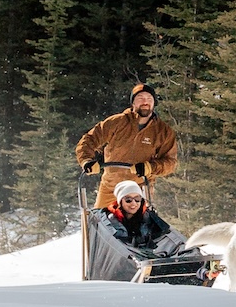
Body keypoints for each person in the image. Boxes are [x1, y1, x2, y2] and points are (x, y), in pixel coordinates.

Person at [76, 81, 179, 210]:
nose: (145, 102)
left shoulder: (163, 131)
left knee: (139, 226)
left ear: (154, 103)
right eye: (140, 98)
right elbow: (89, 140)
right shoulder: (116, 122)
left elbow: (170, 162)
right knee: (97, 223)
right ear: (133, 103)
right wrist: (87, 161)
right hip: (110, 187)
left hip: (140, 190)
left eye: (149, 99)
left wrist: (150, 167)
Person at [103, 179, 188, 257]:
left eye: (137, 199)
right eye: (128, 200)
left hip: (147, 260)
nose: (133, 203)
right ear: (120, 202)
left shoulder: (149, 218)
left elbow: (169, 236)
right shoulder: (109, 222)